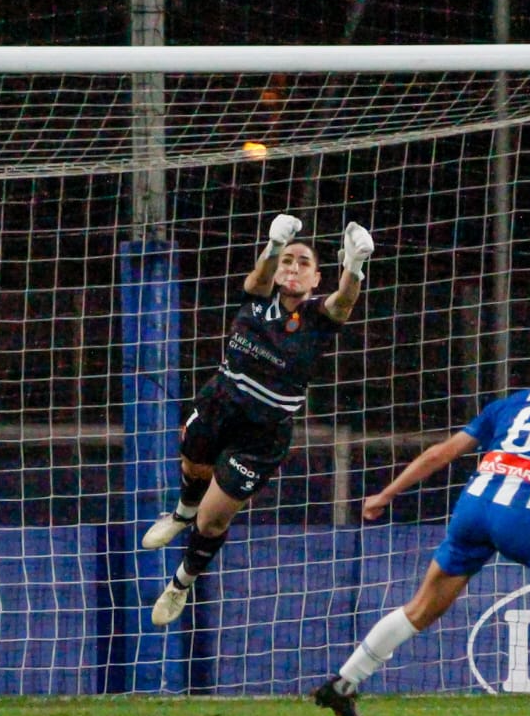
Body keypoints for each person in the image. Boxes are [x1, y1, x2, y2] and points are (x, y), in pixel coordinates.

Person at [314, 328, 530, 716]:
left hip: (473, 507)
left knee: (421, 607)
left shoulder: (508, 404)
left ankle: (343, 683)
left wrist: (386, 494)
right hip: (524, 513)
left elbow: (441, 453)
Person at [142, 213, 374, 626]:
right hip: (221, 402)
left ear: (317, 278)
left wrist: (354, 267)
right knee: (192, 464)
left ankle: (179, 585)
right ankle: (180, 514)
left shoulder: (320, 318)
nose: (294, 267)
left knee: (214, 519)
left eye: (304, 262)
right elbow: (259, 277)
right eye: (289, 260)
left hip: (262, 433)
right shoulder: (257, 296)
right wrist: (272, 246)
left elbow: (346, 300)